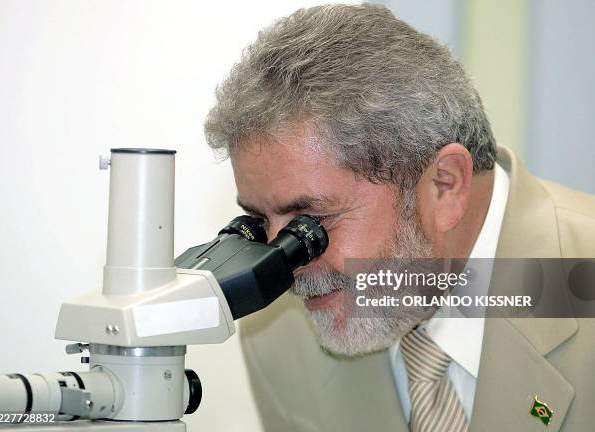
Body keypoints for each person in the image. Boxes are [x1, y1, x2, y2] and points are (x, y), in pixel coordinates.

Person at [203, 4, 595, 431]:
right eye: (260, 223)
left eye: (310, 223)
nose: (286, 268)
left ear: (444, 186)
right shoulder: (277, 333)